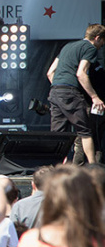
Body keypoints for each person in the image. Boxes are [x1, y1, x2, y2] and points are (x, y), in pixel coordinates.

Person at [47, 23, 105, 164]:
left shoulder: (67, 46)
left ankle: (55, 169)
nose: (102, 44)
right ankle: (93, 167)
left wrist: (60, 86)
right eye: (103, 41)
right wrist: (95, 97)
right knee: (85, 131)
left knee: (58, 135)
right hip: (70, 92)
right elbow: (81, 73)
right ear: (97, 38)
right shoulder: (89, 48)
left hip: (54, 91)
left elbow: (50, 72)